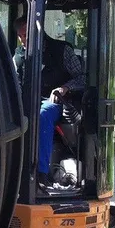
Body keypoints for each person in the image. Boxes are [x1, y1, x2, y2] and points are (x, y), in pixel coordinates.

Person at [37, 38, 86, 186]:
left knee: (42, 115)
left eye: (25, 34)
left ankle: (41, 174)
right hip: (29, 100)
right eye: (19, 36)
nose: (22, 40)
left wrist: (64, 88)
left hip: (57, 101)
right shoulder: (19, 55)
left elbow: (83, 78)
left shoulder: (62, 51)